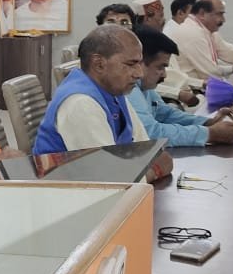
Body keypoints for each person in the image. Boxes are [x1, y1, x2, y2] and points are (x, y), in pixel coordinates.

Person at [32, 26, 171, 181]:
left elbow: (146, 151)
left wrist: (144, 167)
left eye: (139, 63)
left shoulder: (114, 91)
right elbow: (109, 179)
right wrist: (154, 171)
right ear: (99, 64)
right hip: (62, 193)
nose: (139, 73)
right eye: (131, 64)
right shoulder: (80, 103)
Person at [128, 26, 233, 147]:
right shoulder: (130, 90)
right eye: (160, 67)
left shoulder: (144, 87)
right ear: (139, 63)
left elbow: (166, 114)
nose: (164, 74)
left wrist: (209, 122)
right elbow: (150, 133)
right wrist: (210, 134)